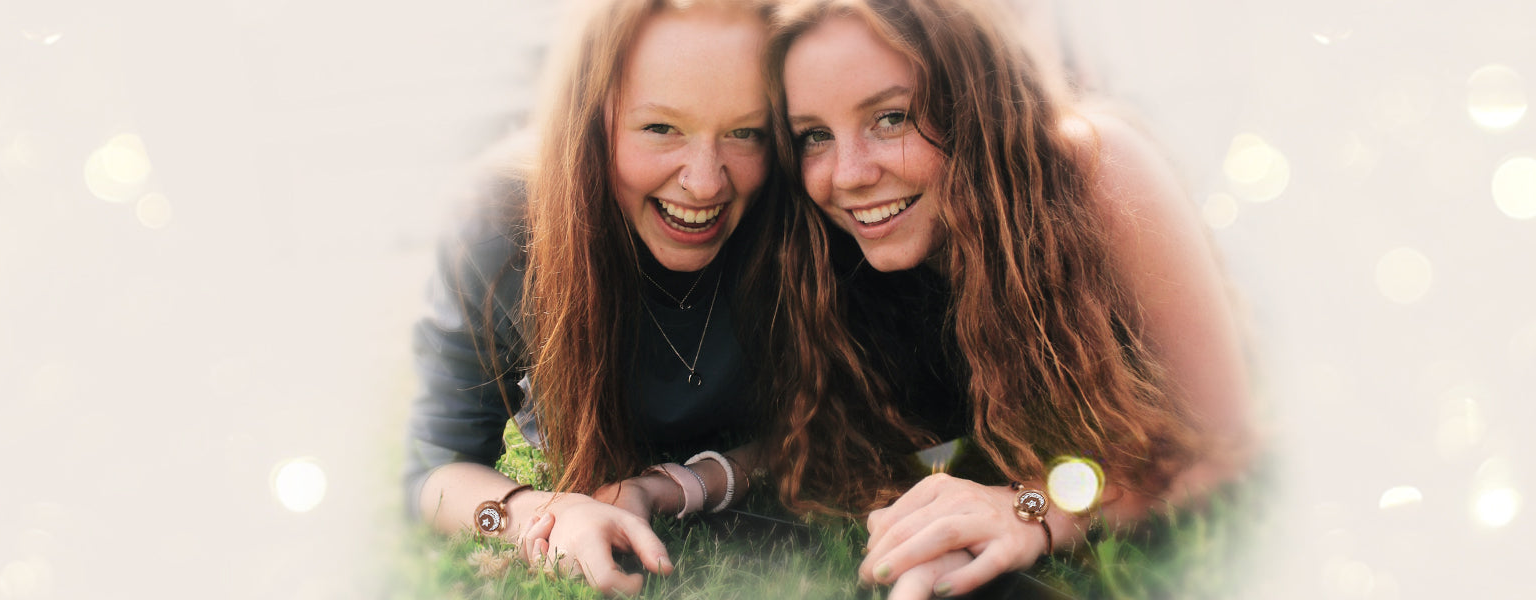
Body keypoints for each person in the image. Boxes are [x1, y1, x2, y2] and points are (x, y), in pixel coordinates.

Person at [764, 0, 1256, 597]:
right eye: (814, 135)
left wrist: (1037, 510)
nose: (846, 175)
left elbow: (1227, 454)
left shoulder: (1097, 167)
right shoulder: (828, 260)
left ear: (973, 101)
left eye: (890, 118)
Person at [404, 0, 785, 595]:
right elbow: (432, 473)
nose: (707, 181)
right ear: (587, 116)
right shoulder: (498, 226)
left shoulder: (802, 215)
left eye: (745, 132)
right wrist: (536, 518)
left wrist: (682, 484)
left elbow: (845, 430)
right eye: (661, 127)